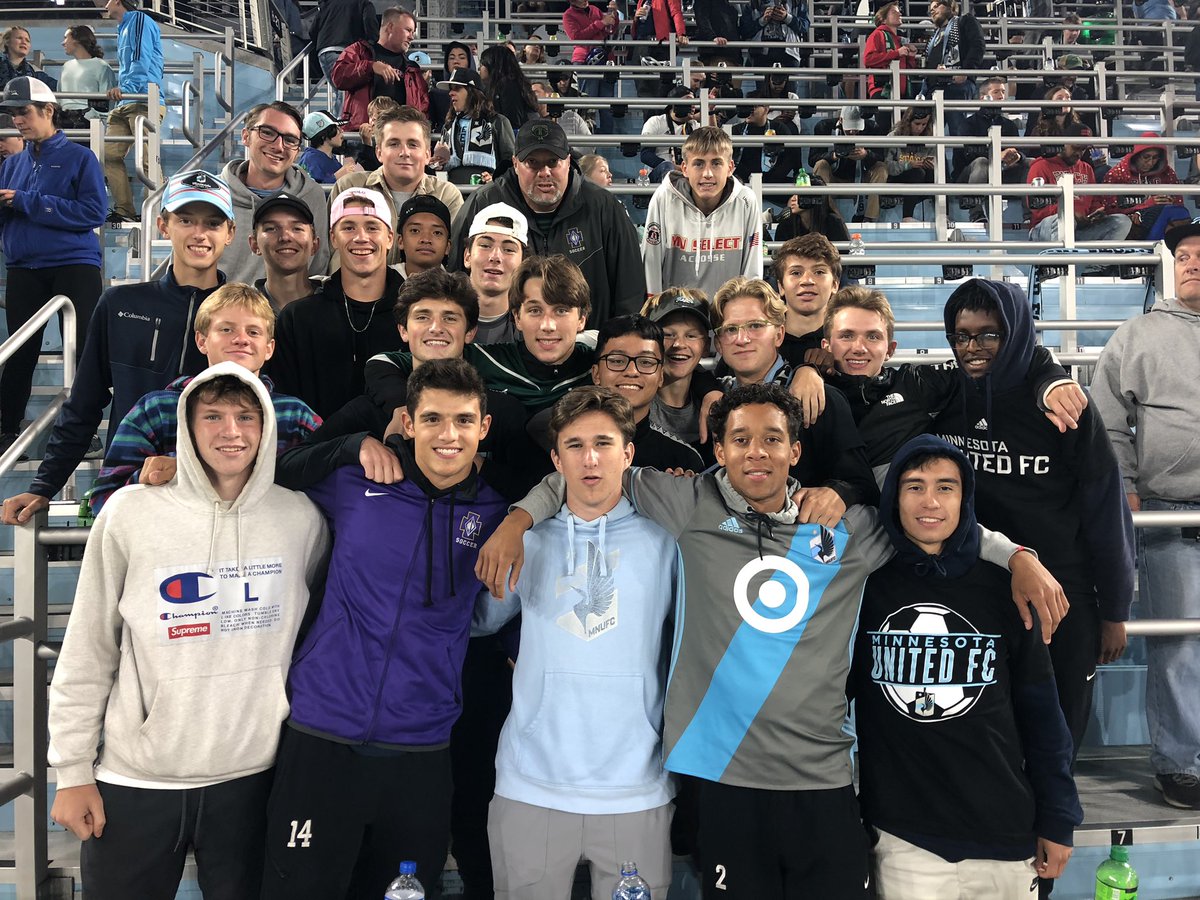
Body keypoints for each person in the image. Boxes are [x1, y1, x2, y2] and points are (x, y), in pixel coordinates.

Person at [480, 383, 1064, 900]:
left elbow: (928, 516)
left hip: (824, 779)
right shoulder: (687, 507)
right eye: (739, 439)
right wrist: (517, 520)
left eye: (772, 439)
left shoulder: (842, 529)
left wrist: (1015, 555)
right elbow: (588, 470)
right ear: (719, 450)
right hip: (725, 779)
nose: (756, 452)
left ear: (796, 451)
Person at [47, 362, 329, 900]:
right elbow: (88, 649)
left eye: (247, 417)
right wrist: (73, 768)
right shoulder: (132, 513)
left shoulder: (301, 520)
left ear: (267, 425)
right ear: (186, 425)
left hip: (254, 777)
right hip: (139, 778)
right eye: (213, 416)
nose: (232, 432)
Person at [259, 358, 512, 899]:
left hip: (420, 746)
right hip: (322, 730)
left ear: (483, 428)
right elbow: (271, 471)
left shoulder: (496, 515)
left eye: (465, 421)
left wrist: (521, 518)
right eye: (434, 419)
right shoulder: (358, 482)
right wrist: (351, 445)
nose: (449, 435)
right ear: (410, 421)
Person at [474, 386, 681, 898]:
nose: (590, 459)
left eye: (604, 443)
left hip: (637, 785)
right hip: (531, 783)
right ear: (555, 458)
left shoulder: (668, 544)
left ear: (628, 454)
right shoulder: (529, 541)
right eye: (574, 445)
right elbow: (480, 622)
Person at [853, 436, 1083, 897]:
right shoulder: (865, 588)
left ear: (966, 497)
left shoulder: (1008, 587)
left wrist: (1059, 817)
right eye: (914, 487)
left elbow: (1042, 713)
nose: (930, 502)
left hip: (1003, 831)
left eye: (946, 487)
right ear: (893, 497)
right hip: (904, 839)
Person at [933, 278, 1134, 762]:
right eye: (961, 335)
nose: (972, 348)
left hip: (1063, 595)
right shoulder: (942, 396)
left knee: (1056, 735)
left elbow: (1106, 507)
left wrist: (1115, 610)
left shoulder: (1065, 408)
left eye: (988, 335)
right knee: (989, 737)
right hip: (979, 591)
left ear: (1016, 333)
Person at [1, 169, 233, 527]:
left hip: (219, 494)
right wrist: (45, 485)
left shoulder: (247, 315)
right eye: (186, 219)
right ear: (163, 225)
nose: (199, 233)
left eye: (213, 223)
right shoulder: (121, 304)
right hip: (131, 491)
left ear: (230, 233)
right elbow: (84, 403)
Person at [1091, 219, 1200, 810]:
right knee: (1179, 647)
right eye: (1183, 254)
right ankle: (1180, 765)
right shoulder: (1138, 334)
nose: (1192, 262)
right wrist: (1126, 487)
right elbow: (1105, 419)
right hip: (1170, 512)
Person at [816, 285, 1087, 493]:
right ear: (826, 345)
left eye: (873, 336)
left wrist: (1052, 378)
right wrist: (806, 371)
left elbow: (1013, 356)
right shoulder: (806, 393)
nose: (859, 347)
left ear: (890, 349)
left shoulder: (915, 384)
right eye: (847, 335)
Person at [87, 283, 321, 514]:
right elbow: (104, 502)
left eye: (253, 332)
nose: (241, 339)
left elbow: (328, 492)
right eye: (227, 329)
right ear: (201, 340)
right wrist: (162, 478)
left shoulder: (295, 415)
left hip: (265, 545)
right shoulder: (156, 409)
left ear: (269, 348)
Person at [449, 118, 646, 328]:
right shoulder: (484, 203)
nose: (544, 172)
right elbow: (456, 282)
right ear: (515, 164)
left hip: (587, 349)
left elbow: (630, 290)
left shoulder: (603, 207)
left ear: (569, 162)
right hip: (504, 349)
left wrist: (615, 346)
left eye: (553, 162)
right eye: (532, 162)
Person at [0, 77, 106, 457]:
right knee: (18, 354)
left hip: (73, 265)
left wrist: (28, 201)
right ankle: (6, 432)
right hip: (24, 267)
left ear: (49, 110)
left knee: (80, 353)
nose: (17, 120)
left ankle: (84, 433)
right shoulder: (11, 165)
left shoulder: (81, 158)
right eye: (13, 113)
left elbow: (95, 213)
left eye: (24, 111)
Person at [710, 276, 878, 513]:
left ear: (779, 334)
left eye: (756, 326)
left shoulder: (822, 399)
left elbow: (863, 485)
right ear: (718, 344)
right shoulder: (713, 398)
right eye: (730, 329)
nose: (742, 338)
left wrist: (838, 493)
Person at [368, 254, 596, 419]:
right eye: (535, 310)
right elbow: (383, 362)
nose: (548, 325)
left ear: (582, 319)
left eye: (561, 310)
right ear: (517, 317)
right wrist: (400, 407)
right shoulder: (486, 360)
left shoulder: (601, 363)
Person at [270, 187, 404, 418]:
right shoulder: (297, 319)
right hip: (316, 450)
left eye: (372, 227)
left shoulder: (417, 317)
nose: (361, 237)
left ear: (390, 238)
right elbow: (287, 409)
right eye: (349, 227)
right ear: (333, 237)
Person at [204, 102, 332, 282]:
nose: (279, 146)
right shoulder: (210, 194)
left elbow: (317, 266)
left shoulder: (312, 195)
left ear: (297, 151)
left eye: (290, 140)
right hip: (220, 307)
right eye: (268, 133)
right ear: (246, 136)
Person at [332, 106, 464, 270]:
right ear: (379, 152)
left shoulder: (446, 195)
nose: (404, 152)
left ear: (427, 154)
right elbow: (331, 251)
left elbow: (454, 260)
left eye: (413, 144)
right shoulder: (349, 188)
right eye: (394, 144)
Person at [643, 126, 762, 300]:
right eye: (698, 164)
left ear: (730, 168)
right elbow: (651, 266)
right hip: (675, 318)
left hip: (728, 318)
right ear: (684, 168)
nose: (707, 173)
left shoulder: (746, 201)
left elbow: (752, 272)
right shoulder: (664, 198)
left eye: (716, 163)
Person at [591, 316, 705, 470]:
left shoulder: (684, 461)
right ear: (596, 374)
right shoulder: (564, 445)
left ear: (660, 377)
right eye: (617, 361)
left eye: (646, 362)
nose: (632, 372)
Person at [101, 0, 163, 224]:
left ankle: (156, 214)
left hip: (144, 99)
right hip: (125, 102)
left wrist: (127, 90)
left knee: (148, 160)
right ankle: (125, 210)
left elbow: (140, 59)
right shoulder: (124, 27)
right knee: (108, 154)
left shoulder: (138, 20)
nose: (102, 5)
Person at [640, 288, 723, 453]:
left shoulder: (721, 397)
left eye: (691, 336)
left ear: (706, 346)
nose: (679, 344)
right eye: (668, 335)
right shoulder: (632, 400)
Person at [1027, 123, 1131, 245]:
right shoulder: (1041, 166)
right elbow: (1037, 207)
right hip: (1046, 227)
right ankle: (1060, 261)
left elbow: (1094, 200)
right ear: (1063, 144)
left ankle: (1098, 263)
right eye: (1076, 147)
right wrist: (1069, 212)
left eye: (1083, 149)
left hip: (1080, 228)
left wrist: (1097, 212)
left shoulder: (1087, 168)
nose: (1079, 153)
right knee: (1065, 220)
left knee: (1122, 221)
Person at [331, 6, 428, 128]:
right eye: (408, 30)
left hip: (399, 139)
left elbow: (423, 109)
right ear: (390, 27)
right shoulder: (359, 51)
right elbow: (338, 77)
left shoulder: (413, 69)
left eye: (413, 32)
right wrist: (370, 67)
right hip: (361, 136)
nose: (411, 37)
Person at [954, 77, 1029, 224]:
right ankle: (975, 213)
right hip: (969, 175)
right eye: (996, 92)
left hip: (1002, 171)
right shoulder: (967, 124)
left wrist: (1017, 156)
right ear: (983, 97)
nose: (1001, 96)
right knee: (981, 162)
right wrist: (996, 155)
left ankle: (1029, 216)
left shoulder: (1009, 125)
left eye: (1002, 92)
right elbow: (968, 154)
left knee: (1030, 163)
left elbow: (1022, 151)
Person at [432, 68, 516, 186]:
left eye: (457, 88)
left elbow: (511, 162)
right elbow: (440, 166)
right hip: (455, 191)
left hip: (488, 191)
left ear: (472, 92)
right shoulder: (448, 125)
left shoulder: (498, 122)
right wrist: (436, 163)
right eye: (451, 89)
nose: (451, 93)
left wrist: (496, 178)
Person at [461, 202, 528, 344]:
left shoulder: (531, 329)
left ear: (522, 263)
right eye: (485, 246)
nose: (495, 257)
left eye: (509, 249)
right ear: (467, 256)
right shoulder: (439, 321)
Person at [1102, 137, 1191, 240]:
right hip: (1129, 222)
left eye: (1155, 158)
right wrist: (1143, 207)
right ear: (1136, 155)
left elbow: (1178, 203)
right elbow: (1110, 212)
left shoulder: (1167, 173)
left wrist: (1169, 201)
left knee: (1178, 212)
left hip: (1161, 217)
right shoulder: (1116, 174)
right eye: (1146, 157)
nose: (1150, 162)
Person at [773, 233, 841, 366]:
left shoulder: (847, 343)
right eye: (796, 273)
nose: (807, 281)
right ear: (781, 286)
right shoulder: (761, 340)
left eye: (819, 272)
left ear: (834, 285)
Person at [811, 106, 888, 223]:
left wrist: (866, 155)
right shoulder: (824, 127)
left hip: (863, 178)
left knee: (881, 168)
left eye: (856, 129)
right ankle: (832, 215)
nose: (853, 132)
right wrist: (834, 155)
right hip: (834, 178)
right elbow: (812, 159)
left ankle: (869, 218)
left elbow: (880, 157)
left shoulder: (872, 127)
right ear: (841, 120)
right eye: (849, 129)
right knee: (820, 165)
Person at [248, 192, 323, 311]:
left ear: (315, 245)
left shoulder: (338, 303)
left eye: (297, 228)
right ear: (254, 244)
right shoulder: (241, 308)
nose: (285, 237)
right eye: (271, 228)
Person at [922, 0, 984, 133]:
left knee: (958, 131)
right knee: (930, 134)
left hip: (956, 85)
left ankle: (960, 154)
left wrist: (965, 71)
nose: (932, 10)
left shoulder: (965, 21)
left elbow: (978, 46)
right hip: (933, 89)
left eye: (937, 6)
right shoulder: (935, 35)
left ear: (950, 6)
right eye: (931, 9)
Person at [310, 0, 379, 116]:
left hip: (325, 51)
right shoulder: (363, 3)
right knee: (345, 92)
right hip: (346, 52)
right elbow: (370, 24)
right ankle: (341, 127)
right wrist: (373, 45)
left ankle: (339, 124)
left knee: (343, 92)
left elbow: (313, 30)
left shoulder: (328, 3)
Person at [731, 92, 803, 186]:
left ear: (765, 109)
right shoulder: (736, 130)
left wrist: (770, 180)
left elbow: (790, 158)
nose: (749, 111)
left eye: (754, 107)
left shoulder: (779, 128)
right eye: (747, 107)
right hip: (741, 183)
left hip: (773, 182)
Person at [863, 1, 916, 117]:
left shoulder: (899, 40)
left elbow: (907, 70)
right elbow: (868, 59)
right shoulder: (876, 35)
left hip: (902, 93)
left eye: (899, 11)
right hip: (882, 91)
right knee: (885, 130)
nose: (899, 14)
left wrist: (911, 58)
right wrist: (896, 53)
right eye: (894, 12)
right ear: (883, 19)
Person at [57, 26, 116, 130]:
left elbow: (108, 104)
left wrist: (90, 116)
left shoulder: (102, 66)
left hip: (89, 121)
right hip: (63, 119)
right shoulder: (66, 66)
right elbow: (59, 97)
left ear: (78, 40)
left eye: (66, 38)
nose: (63, 42)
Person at [886, 106, 936, 222]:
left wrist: (932, 165)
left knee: (935, 173)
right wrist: (908, 165)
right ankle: (907, 216)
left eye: (924, 125)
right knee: (916, 172)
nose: (920, 128)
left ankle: (944, 215)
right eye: (917, 124)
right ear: (908, 122)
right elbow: (888, 167)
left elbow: (933, 159)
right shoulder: (894, 136)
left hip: (920, 182)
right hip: (897, 178)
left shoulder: (929, 137)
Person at [640, 86, 699, 183]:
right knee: (667, 167)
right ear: (674, 103)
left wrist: (710, 111)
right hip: (659, 173)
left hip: (687, 172)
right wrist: (674, 167)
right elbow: (645, 155)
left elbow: (712, 141)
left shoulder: (694, 126)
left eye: (694, 102)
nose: (693, 106)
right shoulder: (656, 121)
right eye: (688, 101)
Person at [479, 45, 539, 134]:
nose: (479, 68)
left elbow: (512, 124)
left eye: (482, 64)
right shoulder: (511, 84)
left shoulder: (508, 86)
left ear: (493, 65)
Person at [395, 194, 452, 277]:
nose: (426, 239)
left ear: (447, 246)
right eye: (415, 231)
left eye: (437, 233)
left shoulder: (458, 287)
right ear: (401, 241)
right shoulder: (381, 281)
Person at [298, 109, 360, 184]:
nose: (341, 131)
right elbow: (309, 189)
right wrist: (336, 177)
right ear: (324, 135)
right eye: (336, 128)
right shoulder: (310, 159)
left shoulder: (331, 159)